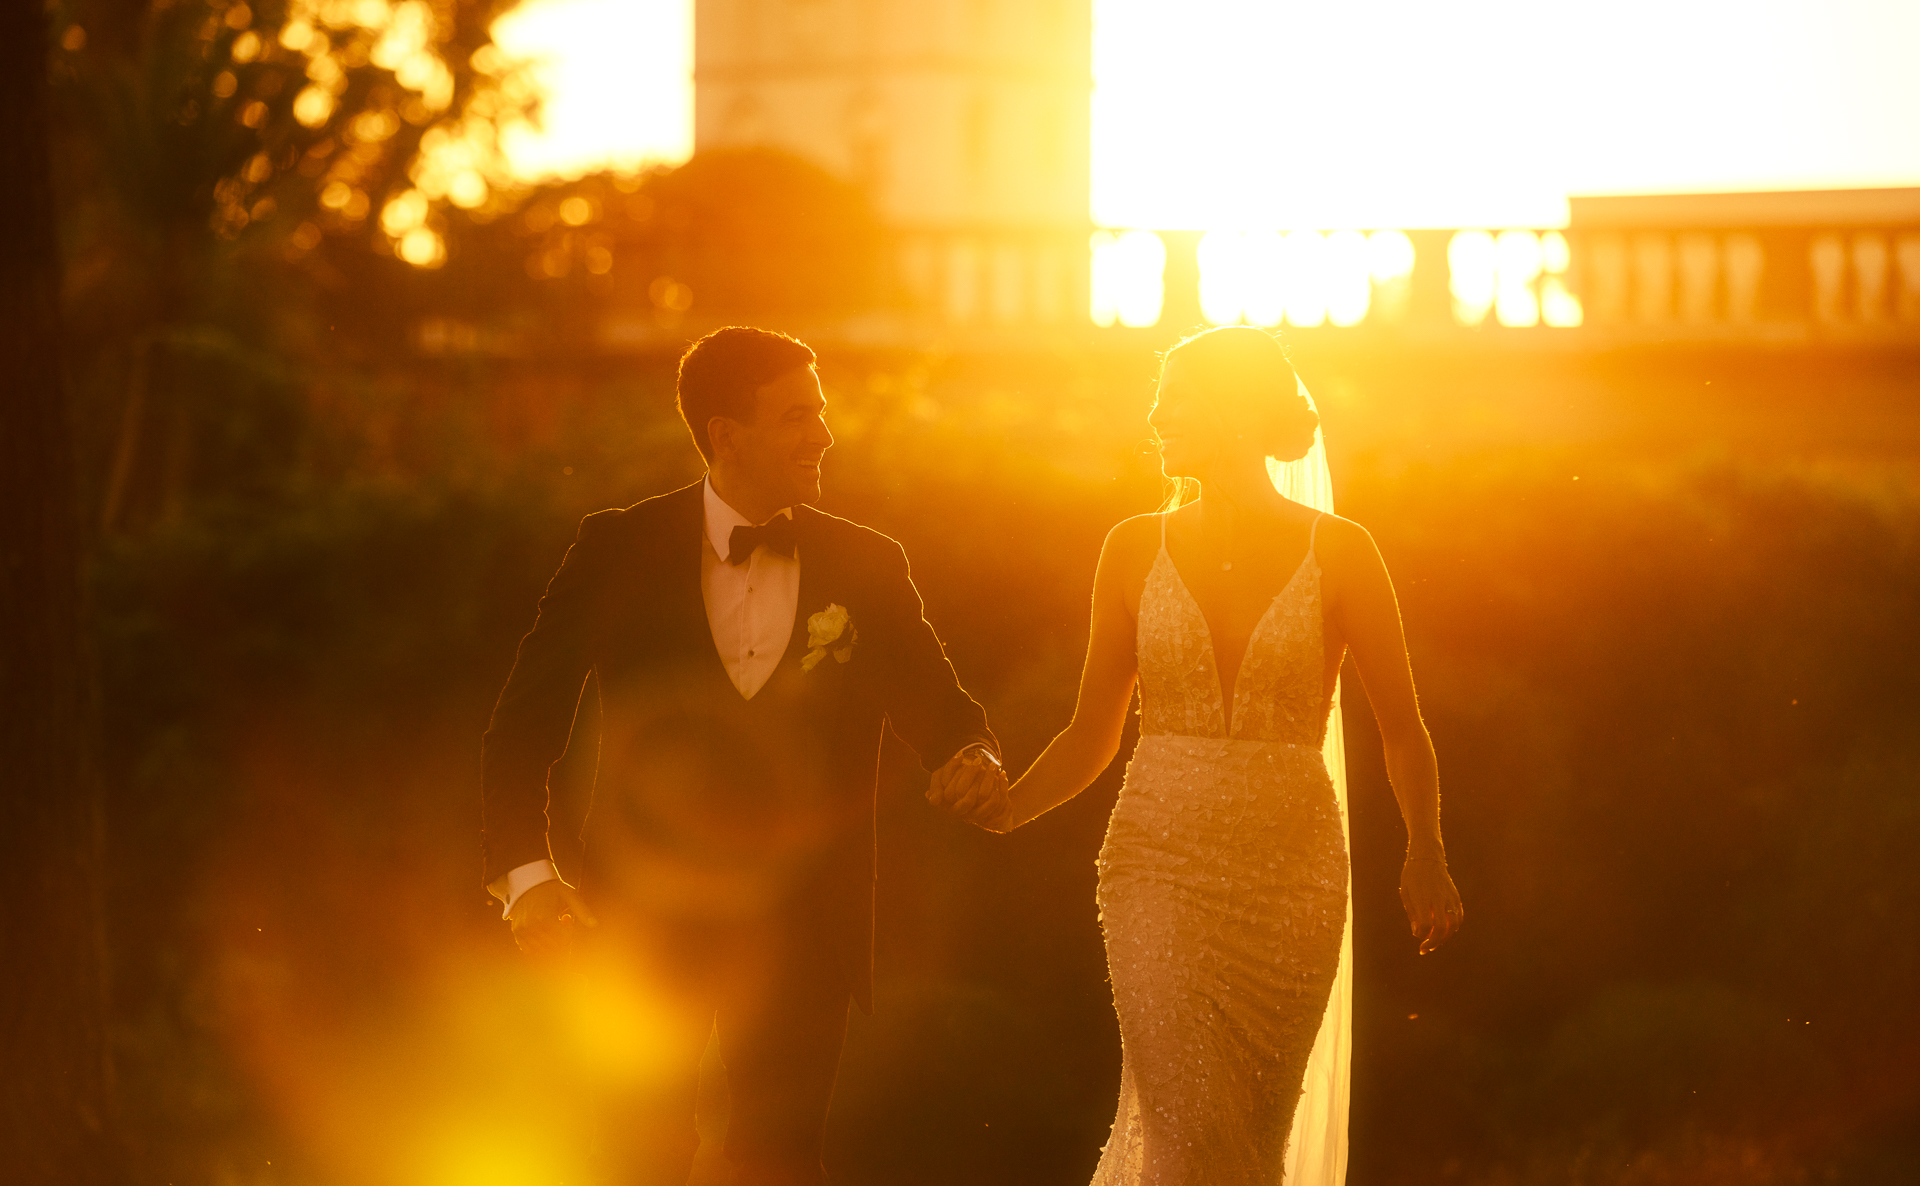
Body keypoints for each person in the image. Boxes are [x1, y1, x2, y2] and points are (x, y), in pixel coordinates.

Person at [933, 325, 1462, 1185]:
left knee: (1248, 1136)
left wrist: (1425, 848)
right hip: (1156, 866)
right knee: (1187, 1126)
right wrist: (1011, 806)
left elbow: (1403, 726)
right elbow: (1093, 730)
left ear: (1234, 406)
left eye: (1174, 397)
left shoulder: (1343, 551)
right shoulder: (1131, 547)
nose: (1154, 416)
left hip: (1292, 877)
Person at [482, 325, 1010, 1186]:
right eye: (797, 415)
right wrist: (529, 879)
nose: (824, 435)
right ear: (727, 434)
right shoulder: (617, 548)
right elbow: (521, 727)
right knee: (634, 1160)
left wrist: (975, 757)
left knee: (784, 1163)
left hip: (810, 926)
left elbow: (946, 714)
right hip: (641, 921)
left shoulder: (869, 563)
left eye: (822, 413)